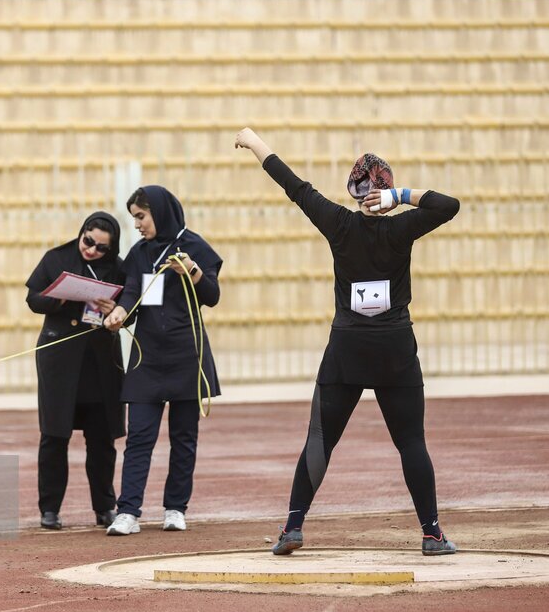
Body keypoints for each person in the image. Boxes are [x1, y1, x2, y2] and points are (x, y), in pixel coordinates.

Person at [235, 127, 460, 556]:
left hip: (347, 348)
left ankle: (292, 528)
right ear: (386, 191)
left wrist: (253, 140)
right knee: (411, 441)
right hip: (395, 347)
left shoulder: (339, 224)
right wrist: (403, 197)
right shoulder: (402, 228)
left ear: (355, 191)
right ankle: (432, 534)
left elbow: (293, 186)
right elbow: (449, 206)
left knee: (320, 439)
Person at [103, 186, 223, 536]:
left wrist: (193, 272)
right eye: (135, 218)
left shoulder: (195, 246)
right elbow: (131, 293)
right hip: (148, 358)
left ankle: (175, 508)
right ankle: (128, 511)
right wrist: (120, 313)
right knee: (139, 436)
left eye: (141, 216)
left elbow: (212, 296)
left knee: (184, 437)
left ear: (160, 212)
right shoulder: (140, 253)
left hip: (188, 354)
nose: (137, 225)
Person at [26, 212, 127, 530]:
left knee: (102, 438)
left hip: (100, 362)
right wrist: (61, 297)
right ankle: (50, 509)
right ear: (81, 233)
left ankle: (105, 506)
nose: (91, 250)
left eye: (100, 248)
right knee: (54, 435)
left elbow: (131, 309)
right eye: (88, 241)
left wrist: (117, 311)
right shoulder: (56, 258)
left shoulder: (119, 268)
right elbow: (33, 298)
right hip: (60, 359)